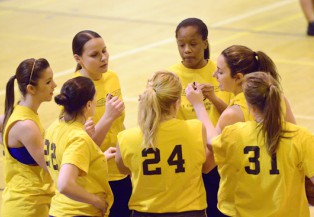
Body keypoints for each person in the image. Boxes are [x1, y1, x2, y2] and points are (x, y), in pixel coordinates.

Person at [186, 45, 296, 216]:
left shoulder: (232, 114)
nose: (215, 75)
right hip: (280, 199)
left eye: (220, 72)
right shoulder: (278, 98)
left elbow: (208, 164)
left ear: (238, 77)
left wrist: (198, 105)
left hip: (243, 205)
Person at [207, 72, 314, 216]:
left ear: (250, 105)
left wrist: (198, 107)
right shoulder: (301, 136)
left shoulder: (235, 133)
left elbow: (211, 143)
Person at [115, 71, 214, 217]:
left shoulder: (126, 138)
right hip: (190, 212)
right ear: (177, 103)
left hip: (145, 212)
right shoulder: (196, 128)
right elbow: (206, 166)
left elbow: (123, 170)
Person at [168, 17, 233, 217]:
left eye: (193, 44)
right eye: (181, 45)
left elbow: (235, 115)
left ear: (205, 43)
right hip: (183, 158)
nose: (187, 49)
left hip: (217, 156)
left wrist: (213, 98)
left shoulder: (220, 72)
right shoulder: (170, 76)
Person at [72, 30, 131, 217]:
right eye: (94, 55)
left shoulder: (112, 77)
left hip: (121, 170)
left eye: (104, 51)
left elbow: (120, 125)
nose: (103, 58)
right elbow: (84, 149)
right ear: (78, 58)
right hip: (96, 176)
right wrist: (108, 117)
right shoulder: (74, 91)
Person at [0, 58, 56, 216]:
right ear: (31, 88)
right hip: (28, 206)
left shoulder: (18, 111)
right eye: (48, 82)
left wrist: (18, 152)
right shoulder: (26, 125)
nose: (54, 85)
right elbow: (53, 168)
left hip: (26, 200)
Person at [45, 76, 114, 217]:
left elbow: (65, 161)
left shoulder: (54, 127)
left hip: (59, 210)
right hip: (79, 211)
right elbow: (65, 184)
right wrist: (97, 201)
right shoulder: (78, 138)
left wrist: (99, 158)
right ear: (88, 105)